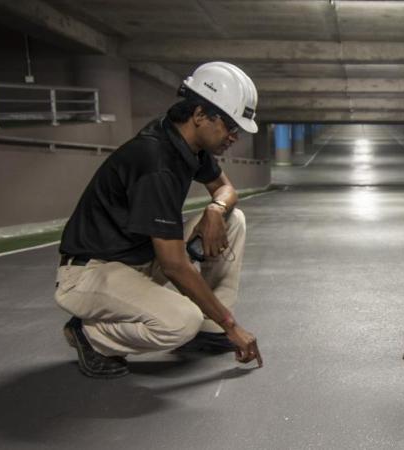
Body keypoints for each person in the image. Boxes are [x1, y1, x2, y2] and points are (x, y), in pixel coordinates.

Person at [55, 62, 263, 378]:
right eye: (230, 126)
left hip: (138, 260)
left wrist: (215, 210)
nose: (234, 136)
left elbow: (225, 189)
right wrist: (232, 326)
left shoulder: (185, 142)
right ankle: (93, 336)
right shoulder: (155, 161)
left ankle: (209, 325)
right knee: (181, 322)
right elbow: (174, 265)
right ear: (200, 116)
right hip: (91, 273)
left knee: (234, 220)